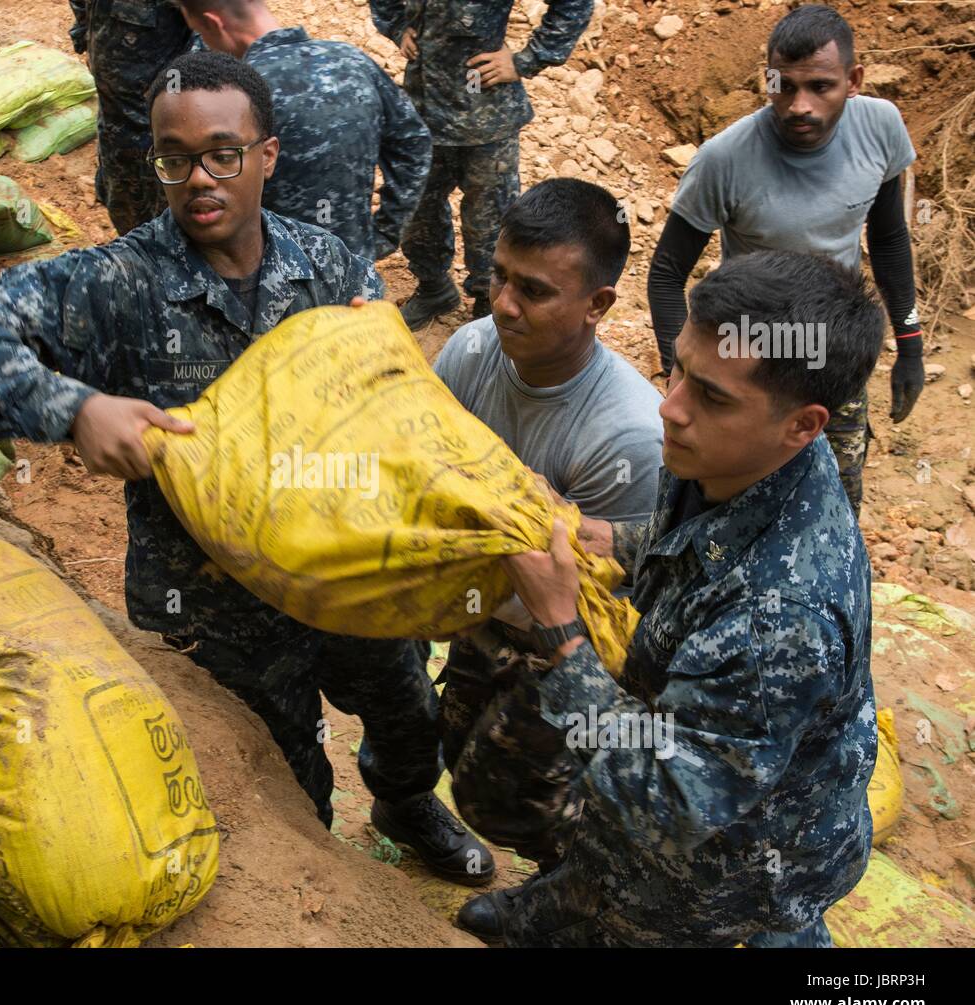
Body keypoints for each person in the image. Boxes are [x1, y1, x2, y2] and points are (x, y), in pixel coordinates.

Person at [0, 51, 493, 887]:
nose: (197, 179)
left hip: (346, 563)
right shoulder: (120, 282)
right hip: (217, 604)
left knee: (409, 713)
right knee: (283, 788)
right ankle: (326, 895)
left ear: (267, 154)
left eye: (223, 153)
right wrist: (75, 409)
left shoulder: (327, 265)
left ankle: (406, 805)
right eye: (173, 158)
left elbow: (393, 401)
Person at [454, 249, 881, 947]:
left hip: (728, 859)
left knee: (649, 911)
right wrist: (600, 538)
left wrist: (563, 632)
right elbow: (678, 538)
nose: (670, 408)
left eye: (712, 395)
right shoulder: (736, 457)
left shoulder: (782, 618)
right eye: (678, 368)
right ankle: (562, 902)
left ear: (803, 425)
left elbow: (672, 801)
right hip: (695, 760)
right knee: (587, 855)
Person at [431, 178, 664, 939]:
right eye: (499, 276)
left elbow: (615, 598)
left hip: (564, 637)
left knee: (516, 794)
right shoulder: (472, 351)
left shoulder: (627, 433)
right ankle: (558, 881)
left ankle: (573, 895)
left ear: (597, 305)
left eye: (533, 290)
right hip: (480, 608)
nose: (503, 303)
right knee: (462, 756)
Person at [647, 4, 922, 515]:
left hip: (833, 350)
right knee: (730, 500)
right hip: (751, 361)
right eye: (783, 86)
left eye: (820, 87)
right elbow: (665, 273)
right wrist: (680, 371)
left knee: (835, 500)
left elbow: (887, 239)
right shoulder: (725, 159)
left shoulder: (880, 128)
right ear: (767, 79)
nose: (799, 105)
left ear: (854, 79)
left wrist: (910, 345)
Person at [370, 0, 595, 329]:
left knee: (489, 224)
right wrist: (396, 26)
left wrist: (525, 60)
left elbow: (574, 4)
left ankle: (486, 307)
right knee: (418, 213)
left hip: (486, 117)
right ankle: (434, 288)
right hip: (424, 110)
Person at [177, 0, 431, 261]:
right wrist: (384, 233)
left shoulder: (230, 94)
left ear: (213, 23)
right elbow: (415, 144)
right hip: (353, 274)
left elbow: (206, 192)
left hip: (265, 283)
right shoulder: (354, 62)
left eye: (201, 32)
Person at [69, 0, 194, 234]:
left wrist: (185, 91)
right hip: (115, 118)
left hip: (161, 123)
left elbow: (213, 23)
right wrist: (83, 31)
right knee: (123, 204)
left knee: (172, 219)